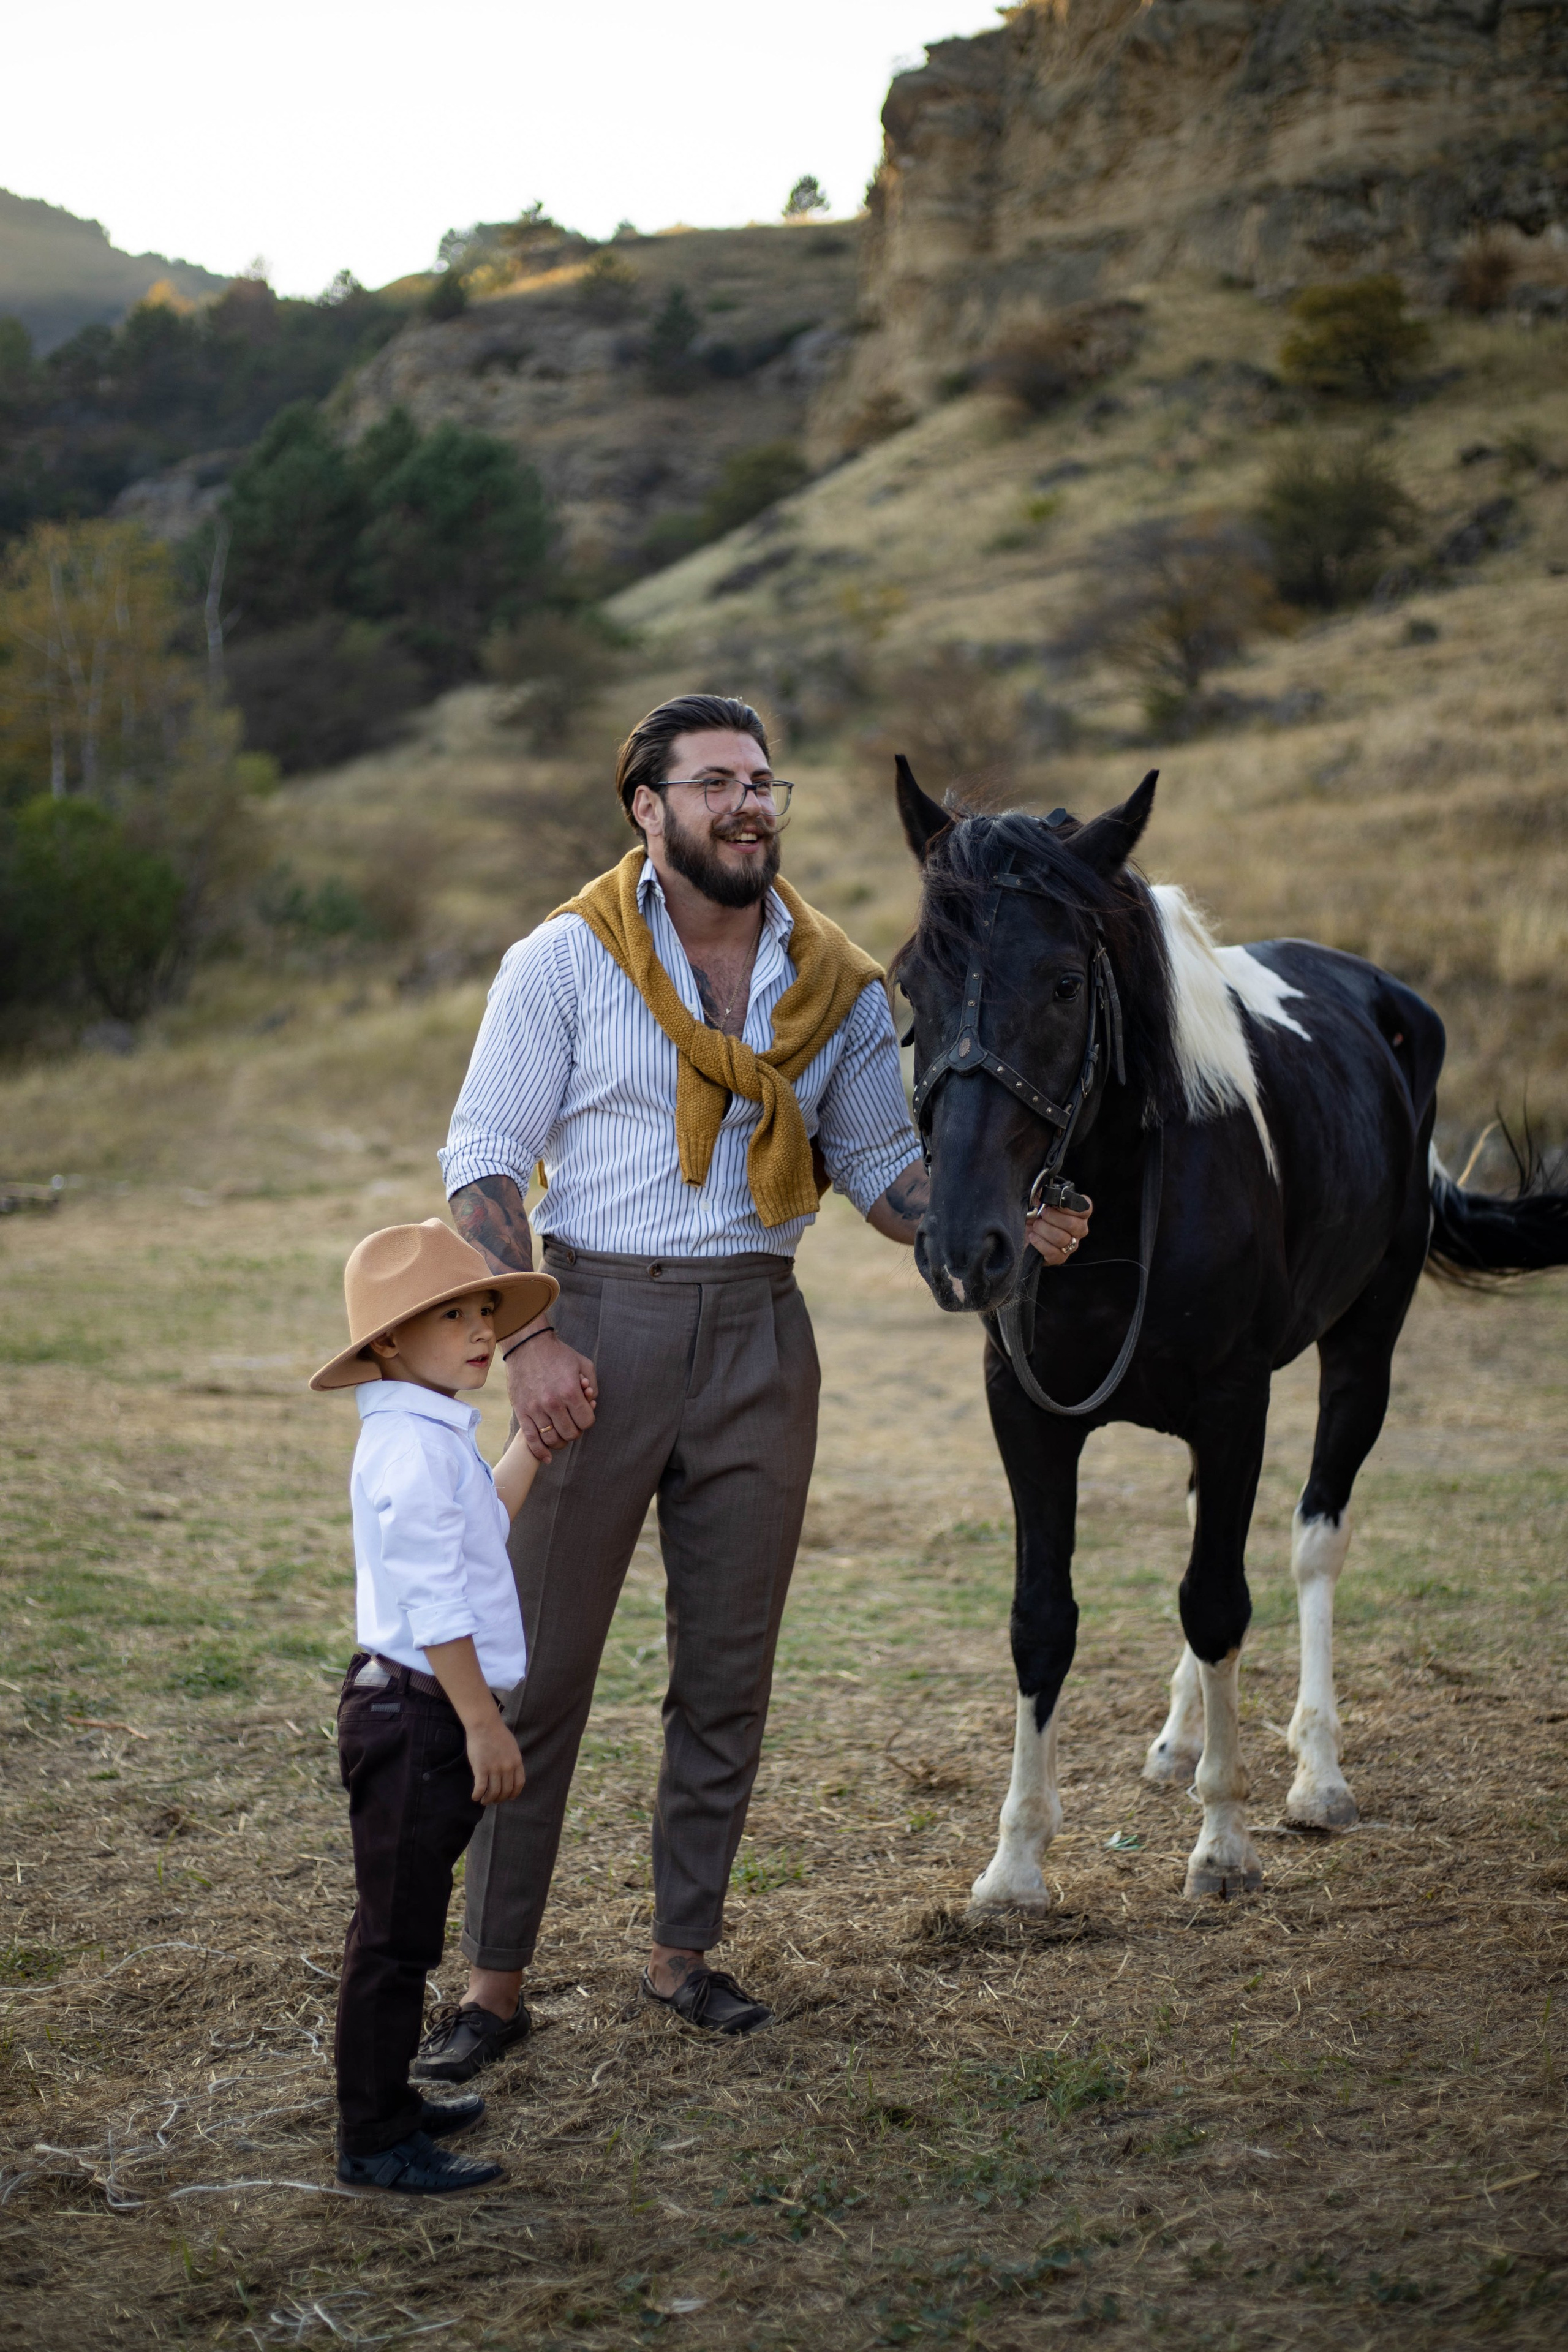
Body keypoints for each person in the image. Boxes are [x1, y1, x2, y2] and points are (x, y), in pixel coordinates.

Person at [415, 692, 1091, 2079]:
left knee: (727, 1673)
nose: (747, 805)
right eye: (715, 782)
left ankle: (683, 1955)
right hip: (594, 1325)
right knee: (539, 1671)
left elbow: (881, 1172)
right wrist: (529, 1342)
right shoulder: (564, 960)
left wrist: (1005, 1231)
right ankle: (491, 1984)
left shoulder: (833, 982)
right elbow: (483, 1163)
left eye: (762, 783)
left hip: (760, 1340)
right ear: (647, 808)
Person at [309, 1217, 562, 2193]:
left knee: (404, 1919)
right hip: (421, 1714)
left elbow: (483, 1526)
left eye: (484, 1310)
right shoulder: (411, 1450)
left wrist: (533, 1443)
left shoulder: (428, 1434)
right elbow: (435, 1601)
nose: (482, 1331)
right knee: (394, 1938)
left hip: (424, 1709)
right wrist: (483, 1724)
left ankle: (391, 2105)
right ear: (386, 1341)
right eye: (451, 1316)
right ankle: (374, 2139)